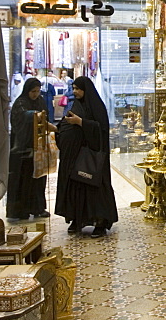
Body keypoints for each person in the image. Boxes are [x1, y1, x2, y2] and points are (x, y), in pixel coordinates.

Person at [53, 76, 118, 238]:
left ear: (86, 89)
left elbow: (100, 129)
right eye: (73, 88)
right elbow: (66, 124)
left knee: (95, 189)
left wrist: (81, 122)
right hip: (75, 157)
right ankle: (78, 219)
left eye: (78, 89)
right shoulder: (75, 105)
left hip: (92, 158)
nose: (75, 91)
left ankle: (100, 222)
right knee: (76, 187)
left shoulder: (96, 106)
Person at [7, 78, 55, 221]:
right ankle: (20, 211)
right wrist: (35, 115)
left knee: (38, 179)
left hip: (38, 148)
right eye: (33, 91)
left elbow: (46, 116)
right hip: (23, 150)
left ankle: (38, 208)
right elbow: (21, 116)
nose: (35, 94)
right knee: (23, 180)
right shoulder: (20, 103)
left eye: (38, 91)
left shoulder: (40, 100)